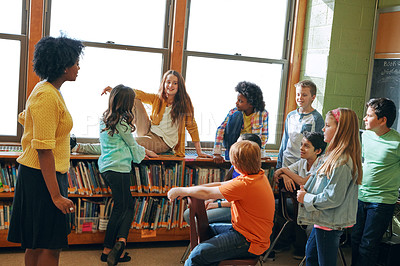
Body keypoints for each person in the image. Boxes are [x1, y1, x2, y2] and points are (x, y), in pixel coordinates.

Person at [7, 36, 84, 266]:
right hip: (42, 178)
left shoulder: (47, 90)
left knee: (37, 242)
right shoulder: (47, 95)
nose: (78, 67)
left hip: (40, 175)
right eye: (76, 62)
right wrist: (55, 196)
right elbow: (43, 150)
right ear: (63, 66)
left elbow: (26, 118)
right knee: (50, 247)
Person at [168, 140, 275, 265]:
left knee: (197, 255)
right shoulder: (256, 176)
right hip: (243, 232)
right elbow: (220, 184)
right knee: (208, 231)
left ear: (236, 164)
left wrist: (181, 190)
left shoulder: (246, 184)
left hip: (249, 241)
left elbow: (208, 193)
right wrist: (188, 190)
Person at [73, 70, 211, 158]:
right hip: (148, 131)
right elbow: (136, 93)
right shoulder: (158, 98)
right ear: (164, 83)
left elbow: (192, 127)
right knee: (134, 98)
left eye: (174, 83)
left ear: (179, 86)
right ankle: (123, 127)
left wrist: (199, 152)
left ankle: (80, 147)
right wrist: (115, 90)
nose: (170, 85)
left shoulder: (184, 103)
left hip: (162, 142)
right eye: (168, 82)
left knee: (123, 144)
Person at [98, 85, 158, 265]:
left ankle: (120, 243)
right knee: (123, 208)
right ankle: (109, 248)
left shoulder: (104, 119)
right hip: (119, 168)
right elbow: (132, 146)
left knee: (125, 206)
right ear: (127, 104)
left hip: (107, 166)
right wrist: (147, 152)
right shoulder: (122, 123)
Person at [297, 108, 362, 266]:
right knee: (311, 256)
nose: (323, 129)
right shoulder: (332, 157)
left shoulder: (341, 162)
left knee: (323, 261)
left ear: (340, 130)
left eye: (327, 125)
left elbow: (332, 197)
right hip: (323, 220)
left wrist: (306, 197)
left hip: (329, 222)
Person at [351, 98, 400, 266]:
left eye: (369, 115)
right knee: (356, 239)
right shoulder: (365, 136)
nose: (364, 118)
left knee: (368, 244)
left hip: (381, 201)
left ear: (382, 120)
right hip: (361, 196)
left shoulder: (397, 142)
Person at [182, 133, 263, 225]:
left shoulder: (253, 174)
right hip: (226, 201)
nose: (234, 147)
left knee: (196, 218)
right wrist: (212, 199)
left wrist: (217, 204)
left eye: (238, 144)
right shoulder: (237, 165)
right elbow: (224, 186)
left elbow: (242, 201)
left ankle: (208, 237)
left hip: (237, 209)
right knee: (188, 214)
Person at [271, 131, 326, 260]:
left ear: (317, 151)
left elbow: (303, 182)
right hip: (300, 204)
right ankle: (285, 243)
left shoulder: (321, 164)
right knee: (275, 207)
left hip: (316, 206)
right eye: (301, 144)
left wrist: (285, 170)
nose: (301, 148)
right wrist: (284, 175)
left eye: (306, 146)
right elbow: (276, 174)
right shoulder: (302, 162)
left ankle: (303, 249)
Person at [212, 81, 269, 163]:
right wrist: (217, 153)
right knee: (237, 114)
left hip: (250, 149)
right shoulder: (234, 112)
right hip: (234, 146)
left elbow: (264, 136)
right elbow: (220, 129)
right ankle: (232, 152)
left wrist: (261, 154)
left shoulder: (263, 113)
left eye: (240, 101)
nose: (236, 103)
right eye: (237, 100)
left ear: (251, 104)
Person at [277, 80, 324, 169]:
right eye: (298, 94)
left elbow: (320, 145)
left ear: (313, 97)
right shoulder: (290, 116)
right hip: (287, 162)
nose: (300, 97)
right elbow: (285, 140)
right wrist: (279, 164)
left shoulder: (317, 118)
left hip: (304, 166)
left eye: (304, 95)